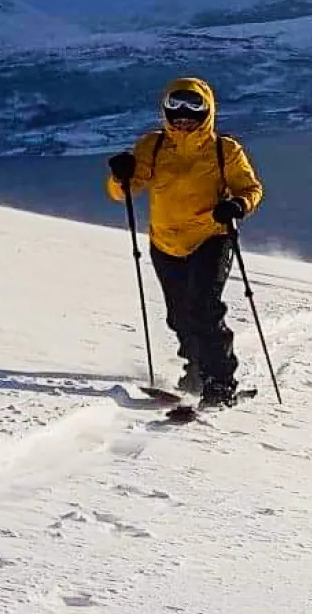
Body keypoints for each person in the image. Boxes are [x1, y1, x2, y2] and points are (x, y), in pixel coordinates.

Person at [104, 77, 264, 404]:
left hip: (211, 237)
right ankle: (196, 369)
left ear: (208, 110)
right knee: (179, 314)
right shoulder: (153, 145)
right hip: (164, 242)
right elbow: (127, 191)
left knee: (205, 308)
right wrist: (119, 176)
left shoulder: (224, 150)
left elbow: (251, 189)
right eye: (175, 106)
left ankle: (220, 381)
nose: (183, 114)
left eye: (193, 106)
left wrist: (237, 205)